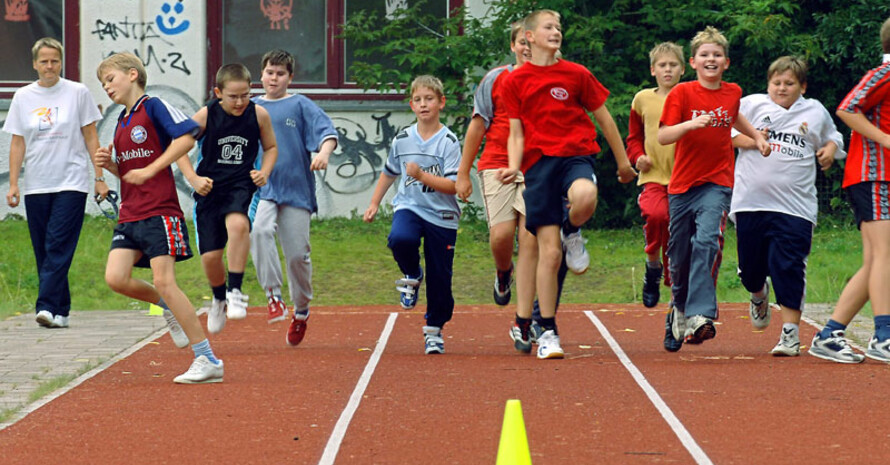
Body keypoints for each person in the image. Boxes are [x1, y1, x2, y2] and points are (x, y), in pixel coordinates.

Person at [499, 9, 636, 359]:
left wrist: (623, 163)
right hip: (538, 167)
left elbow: (604, 118)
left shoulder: (577, 75)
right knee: (550, 253)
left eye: (559, 27)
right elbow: (516, 132)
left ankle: (572, 228)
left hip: (576, 157)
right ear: (529, 37)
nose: (556, 32)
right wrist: (514, 167)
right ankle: (547, 330)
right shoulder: (515, 81)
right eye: (548, 27)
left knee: (586, 196)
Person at [94, 52, 223, 384]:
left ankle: (207, 359)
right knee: (116, 278)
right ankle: (168, 308)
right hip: (130, 213)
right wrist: (111, 167)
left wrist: (153, 168)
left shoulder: (154, 106)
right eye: (103, 83)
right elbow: (130, 171)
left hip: (159, 210)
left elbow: (188, 134)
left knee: (165, 279)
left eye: (110, 79)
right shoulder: (122, 122)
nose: (106, 87)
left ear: (133, 74)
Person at [658, 26, 770, 351]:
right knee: (678, 255)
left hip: (718, 182)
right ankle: (678, 309)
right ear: (693, 61)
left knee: (707, 241)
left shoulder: (732, 92)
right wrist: (689, 125)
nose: (711, 59)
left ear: (726, 62)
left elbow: (735, 117)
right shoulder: (681, 94)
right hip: (682, 185)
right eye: (705, 55)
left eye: (717, 55)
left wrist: (758, 138)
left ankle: (700, 315)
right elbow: (663, 136)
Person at [730, 56, 845, 357]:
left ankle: (790, 335)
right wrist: (753, 140)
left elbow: (834, 136)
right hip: (751, 202)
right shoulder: (750, 105)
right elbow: (725, 135)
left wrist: (830, 150)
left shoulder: (814, 111)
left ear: (802, 86)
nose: (782, 88)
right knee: (750, 270)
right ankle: (758, 294)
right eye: (776, 83)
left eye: (789, 83)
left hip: (796, 206)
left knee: (789, 265)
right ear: (768, 84)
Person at [3, 37, 107, 328]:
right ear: (35, 64)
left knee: (58, 243)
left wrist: (99, 178)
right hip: (37, 184)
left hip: (71, 181)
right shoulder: (23, 97)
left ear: (61, 62)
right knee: (43, 249)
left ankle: (46, 306)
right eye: (44, 61)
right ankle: (60, 311)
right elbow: (17, 144)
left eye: (55, 61)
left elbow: (90, 136)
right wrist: (14, 184)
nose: (50, 66)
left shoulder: (77, 93)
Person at [456, 22, 540, 352]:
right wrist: (463, 174)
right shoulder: (495, 79)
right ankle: (503, 272)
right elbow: (477, 127)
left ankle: (524, 321)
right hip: (497, 163)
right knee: (502, 237)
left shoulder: (553, 79)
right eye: (523, 42)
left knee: (529, 239)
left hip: (536, 167)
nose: (528, 47)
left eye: (533, 41)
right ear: (513, 45)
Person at [810, 17, 890, 364]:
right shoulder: (883, 73)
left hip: (882, 177)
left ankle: (829, 334)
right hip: (873, 174)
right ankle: (884, 336)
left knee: (876, 259)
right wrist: (887, 141)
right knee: (885, 255)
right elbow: (846, 107)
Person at [176, 64, 278, 335]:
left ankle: (235, 290)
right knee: (210, 258)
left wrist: (264, 172)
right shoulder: (206, 115)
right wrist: (193, 179)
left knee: (238, 226)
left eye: (245, 95)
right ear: (219, 93)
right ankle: (219, 297)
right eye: (233, 96)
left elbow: (271, 147)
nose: (240, 101)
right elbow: (178, 147)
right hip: (209, 190)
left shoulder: (258, 115)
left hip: (240, 186)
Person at [363, 75, 461, 355]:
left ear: (441, 103)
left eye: (429, 99)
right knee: (400, 238)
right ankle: (412, 272)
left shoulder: (449, 142)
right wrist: (373, 203)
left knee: (441, 277)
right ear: (411, 105)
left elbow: (454, 186)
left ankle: (434, 330)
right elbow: (389, 172)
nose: (423, 104)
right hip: (410, 206)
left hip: (442, 215)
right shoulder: (403, 139)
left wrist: (420, 175)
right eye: (418, 100)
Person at [249, 49, 338, 346]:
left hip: (296, 189)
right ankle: (273, 296)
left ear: (290, 77)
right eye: (269, 72)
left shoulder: (299, 105)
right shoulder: (249, 107)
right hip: (263, 189)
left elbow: (327, 132)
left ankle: (301, 310)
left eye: (280, 73)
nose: (274, 78)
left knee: (298, 255)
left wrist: (323, 153)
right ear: (261, 74)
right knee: (259, 231)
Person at [626, 42, 685, 309]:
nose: (668, 69)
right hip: (653, 177)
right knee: (657, 215)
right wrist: (637, 157)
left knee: (679, 231)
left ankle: (675, 289)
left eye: (673, 64)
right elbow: (633, 137)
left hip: (684, 178)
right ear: (653, 70)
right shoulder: (642, 99)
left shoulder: (689, 96)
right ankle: (652, 266)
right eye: (663, 65)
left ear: (683, 69)